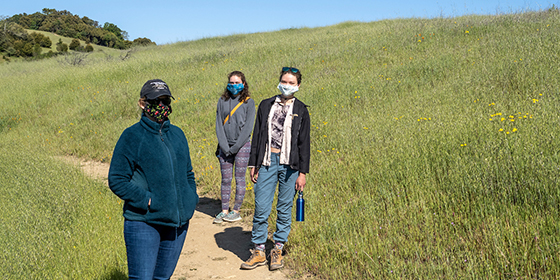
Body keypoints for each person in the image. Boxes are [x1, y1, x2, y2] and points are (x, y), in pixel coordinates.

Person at [108, 79, 199, 280]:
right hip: (144, 223)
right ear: (142, 103)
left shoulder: (177, 135)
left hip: (177, 224)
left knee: (162, 278)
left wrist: (190, 198)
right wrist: (148, 200)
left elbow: (188, 173)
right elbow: (117, 179)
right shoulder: (132, 136)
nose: (162, 105)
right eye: (156, 100)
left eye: (165, 100)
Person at [241, 67, 310, 271]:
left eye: (291, 82)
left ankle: (278, 249)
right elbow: (257, 137)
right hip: (267, 161)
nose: (287, 85)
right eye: (284, 81)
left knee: (284, 208)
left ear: (298, 85)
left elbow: (304, 144)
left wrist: (303, 173)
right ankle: (259, 250)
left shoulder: (302, 109)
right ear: (279, 82)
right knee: (261, 207)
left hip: (290, 164)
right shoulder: (265, 105)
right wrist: (253, 164)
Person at [214, 71, 256, 224]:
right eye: (231, 82)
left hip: (242, 146)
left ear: (243, 83)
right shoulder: (221, 101)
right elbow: (219, 124)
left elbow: (248, 128)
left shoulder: (248, 102)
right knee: (225, 179)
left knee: (239, 179)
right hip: (224, 146)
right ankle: (224, 210)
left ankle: (236, 211)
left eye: (237, 82)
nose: (233, 85)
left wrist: (236, 146)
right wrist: (225, 146)